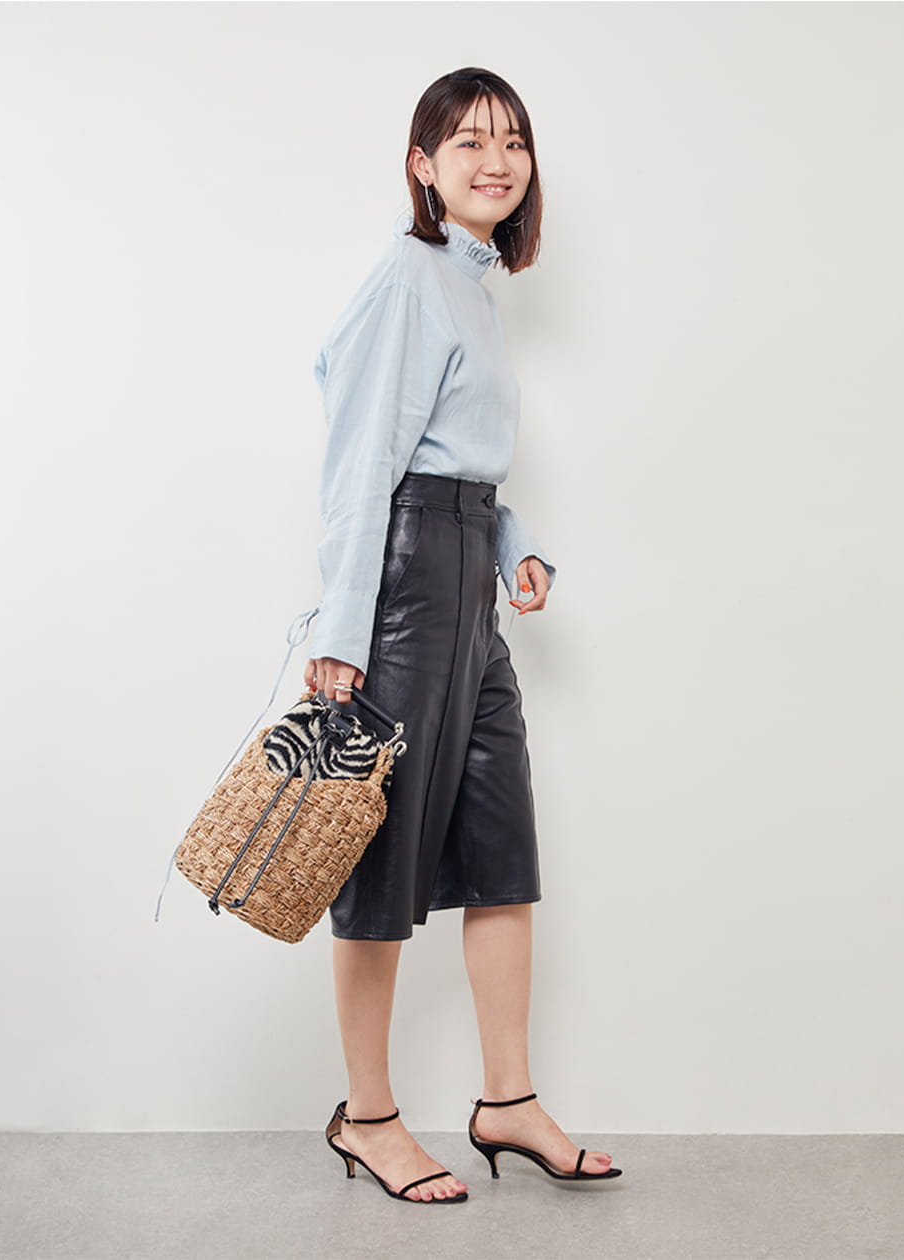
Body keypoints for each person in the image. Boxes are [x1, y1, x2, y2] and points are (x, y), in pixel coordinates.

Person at [307, 68, 621, 1203]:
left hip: (465, 583)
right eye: (469, 141)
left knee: (499, 851)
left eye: (514, 141)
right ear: (422, 164)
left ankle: (507, 1101)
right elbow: (365, 466)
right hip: (402, 597)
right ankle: (367, 1117)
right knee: (379, 854)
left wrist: (509, 542)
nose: (497, 160)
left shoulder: (472, 283)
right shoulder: (409, 277)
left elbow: (458, 453)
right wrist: (344, 628)